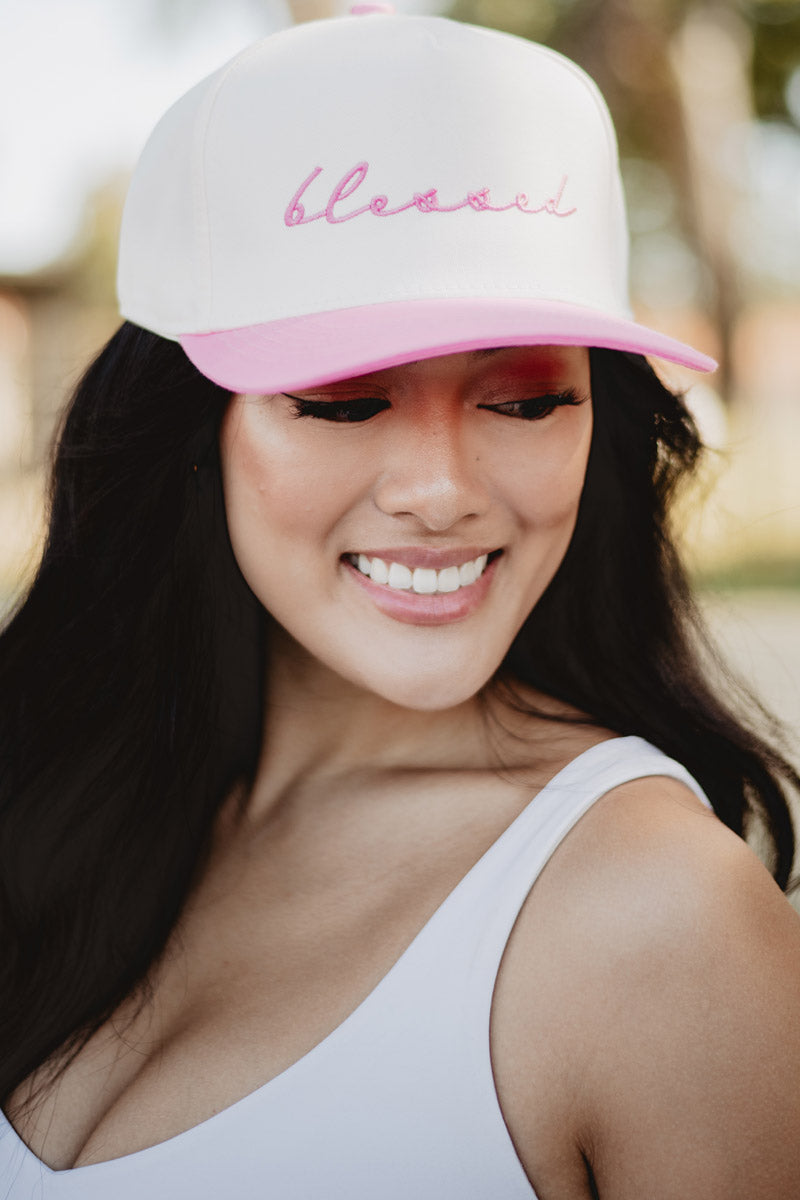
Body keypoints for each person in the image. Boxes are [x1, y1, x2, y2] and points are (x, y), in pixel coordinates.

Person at [1, 6, 799, 1197]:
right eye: (342, 400)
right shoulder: (56, 796)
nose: (440, 491)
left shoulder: (660, 918)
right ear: (190, 429)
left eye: (525, 400)